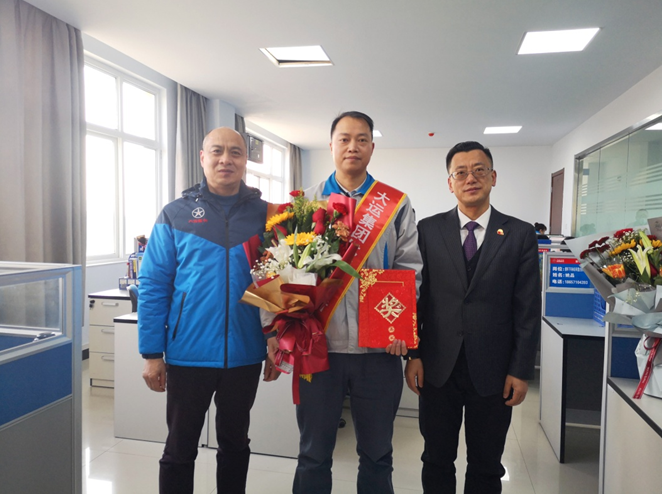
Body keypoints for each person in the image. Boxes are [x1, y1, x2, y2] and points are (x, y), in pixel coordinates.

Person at [138, 127, 279, 494]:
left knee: (235, 444)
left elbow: (281, 283)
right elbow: (153, 286)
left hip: (245, 353)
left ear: (245, 161)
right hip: (188, 353)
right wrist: (152, 353)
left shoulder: (268, 216)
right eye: (217, 151)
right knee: (179, 449)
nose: (225, 159)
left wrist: (277, 340)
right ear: (202, 157)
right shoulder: (174, 214)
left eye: (235, 152)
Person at [291, 111, 423, 494]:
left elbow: (410, 269)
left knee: (378, 454)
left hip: (378, 352)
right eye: (345, 139)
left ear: (372, 147)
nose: (353, 146)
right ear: (331, 145)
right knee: (313, 454)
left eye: (362, 139)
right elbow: (287, 273)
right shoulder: (305, 203)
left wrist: (400, 329)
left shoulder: (395, 203)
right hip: (319, 349)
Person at [407, 141, 541, 493]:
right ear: (449, 183)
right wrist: (414, 354)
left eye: (479, 170)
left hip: (495, 370)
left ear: (493, 177)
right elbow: (417, 300)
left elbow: (527, 309)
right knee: (436, 459)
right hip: (438, 367)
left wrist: (521, 370)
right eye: (461, 172)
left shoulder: (520, 234)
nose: (471, 178)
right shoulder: (428, 230)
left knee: (486, 464)